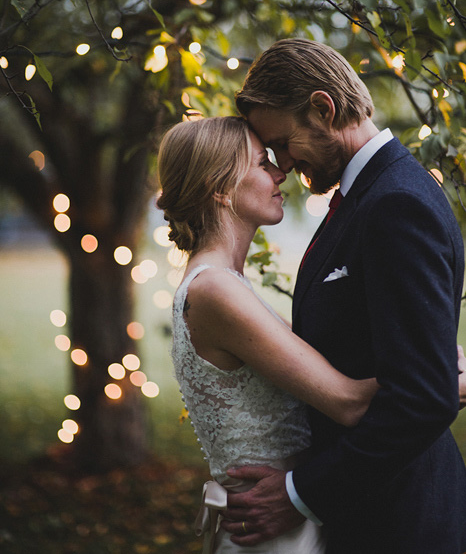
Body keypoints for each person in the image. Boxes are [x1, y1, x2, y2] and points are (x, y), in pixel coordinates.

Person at [221, 38, 466, 553]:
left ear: (322, 108)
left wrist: (299, 494)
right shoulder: (365, 196)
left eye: (283, 142)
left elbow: (423, 397)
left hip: (401, 520)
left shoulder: (396, 204)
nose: (283, 163)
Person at [157, 115, 379, 553]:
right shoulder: (215, 290)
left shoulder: (225, 284)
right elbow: (347, 401)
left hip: (282, 518)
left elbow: (325, 360)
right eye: (262, 163)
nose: (281, 172)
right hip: (272, 530)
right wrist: (440, 378)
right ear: (219, 188)